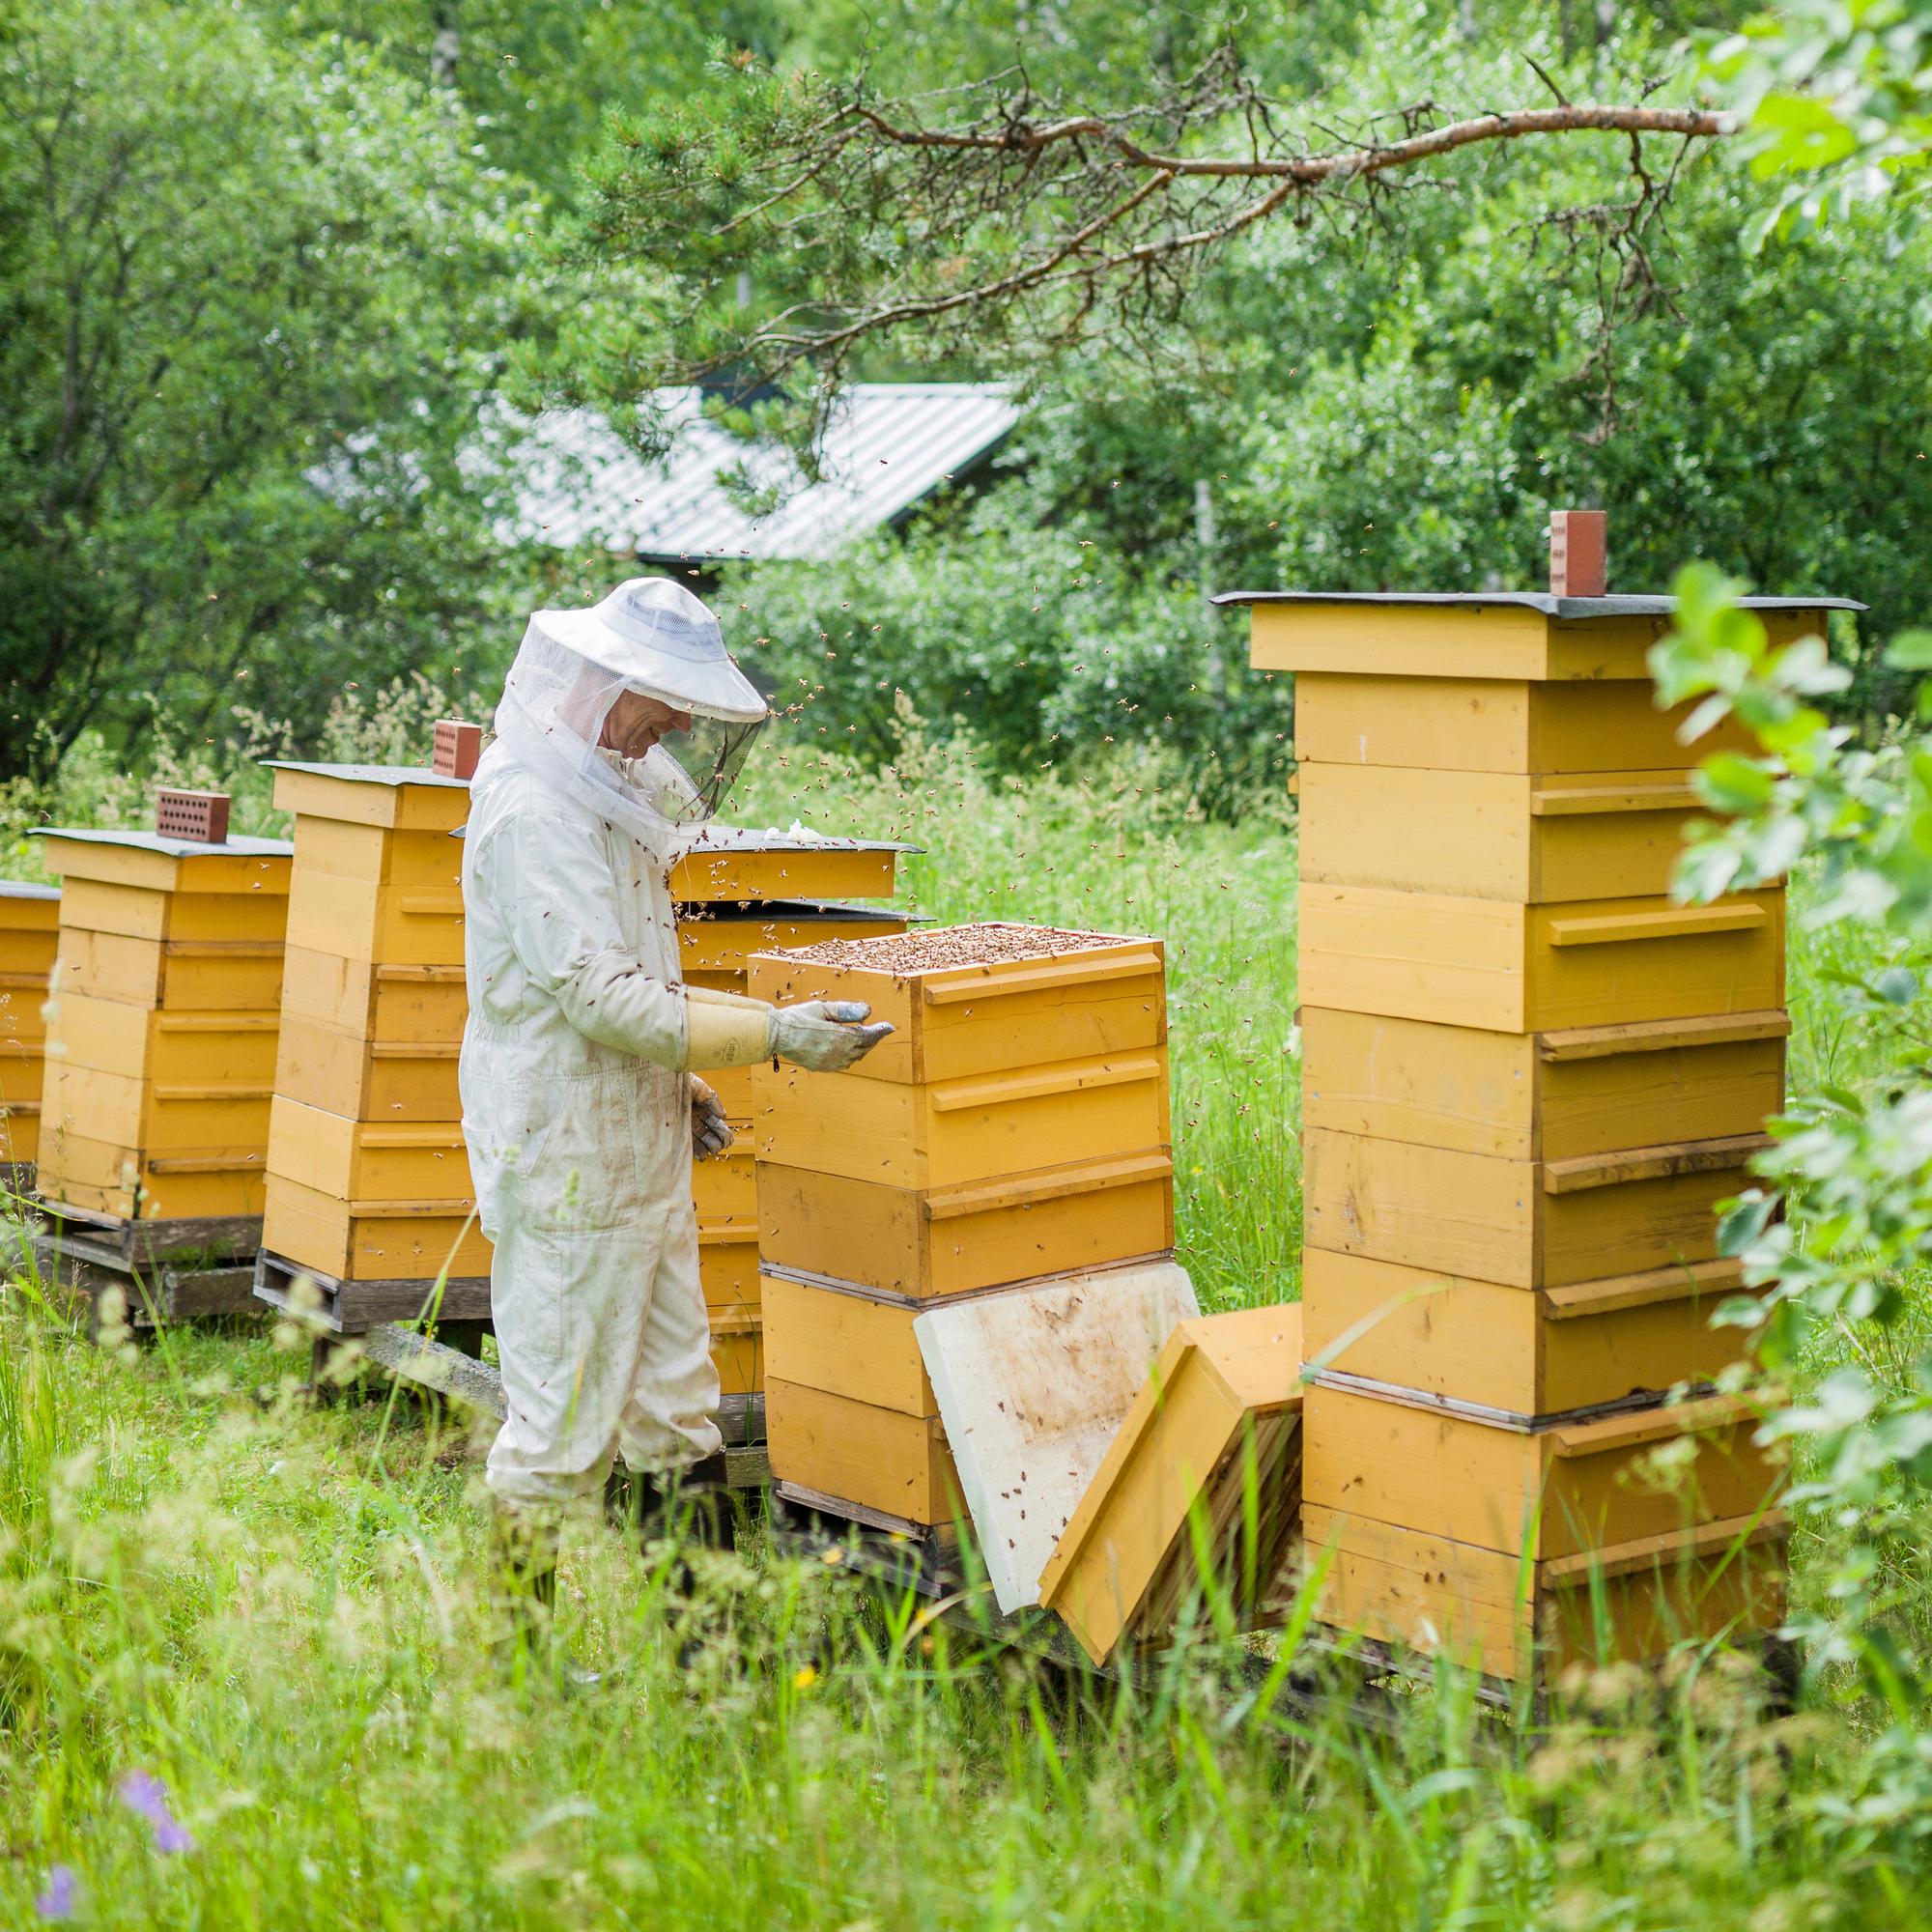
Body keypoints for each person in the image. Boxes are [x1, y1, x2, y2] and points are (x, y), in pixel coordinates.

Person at [459, 577, 890, 1649]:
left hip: (631, 1134)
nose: (683, 722)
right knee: (559, 1424)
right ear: (602, 682)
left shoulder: (602, 784)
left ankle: (700, 1656)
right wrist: (777, 1034)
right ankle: (507, 1681)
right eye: (665, 698)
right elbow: (596, 997)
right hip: (564, 1152)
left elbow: (631, 973)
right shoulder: (531, 808)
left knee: (675, 1410)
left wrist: (684, 1074)